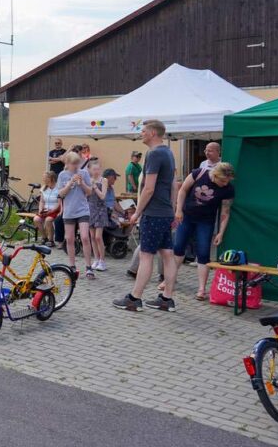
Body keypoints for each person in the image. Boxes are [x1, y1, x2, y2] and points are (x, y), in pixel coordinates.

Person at [114, 119, 179, 312]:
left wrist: (137, 213)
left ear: (152, 133)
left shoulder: (154, 153)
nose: (140, 134)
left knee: (146, 256)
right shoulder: (168, 152)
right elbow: (174, 185)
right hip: (165, 212)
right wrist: (173, 210)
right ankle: (166, 299)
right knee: (167, 255)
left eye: (143, 131)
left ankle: (134, 298)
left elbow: (149, 189)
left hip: (154, 213)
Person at [170, 161, 235, 301]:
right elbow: (182, 190)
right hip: (186, 217)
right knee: (178, 248)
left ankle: (201, 289)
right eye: (223, 180)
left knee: (203, 253)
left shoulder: (228, 189)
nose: (225, 184)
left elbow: (225, 211)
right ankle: (169, 280)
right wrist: (179, 210)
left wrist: (221, 232)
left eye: (227, 181)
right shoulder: (198, 173)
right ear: (215, 175)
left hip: (205, 222)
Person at [58, 151, 94, 278]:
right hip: (69, 211)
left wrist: (82, 183)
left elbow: (89, 192)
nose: (76, 166)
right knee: (69, 239)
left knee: (85, 237)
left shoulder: (83, 173)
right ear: (67, 163)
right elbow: (61, 194)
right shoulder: (62, 175)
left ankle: (89, 267)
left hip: (83, 210)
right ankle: (72, 266)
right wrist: (69, 184)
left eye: (77, 163)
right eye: (73, 164)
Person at [87, 161, 109, 273]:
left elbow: (103, 196)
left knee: (98, 237)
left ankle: (102, 260)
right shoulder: (88, 180)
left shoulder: (103, 180)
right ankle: (96, 259)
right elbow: (86, 195)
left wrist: (94, 186)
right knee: (92, 236)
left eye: (98, 169)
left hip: (100, 209)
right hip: (90, 209)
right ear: (90, 170)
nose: (96, 171)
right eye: (94, 169)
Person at [34, 171, 60, 246]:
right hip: (45, 209)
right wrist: (40, 209)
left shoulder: (58, 188)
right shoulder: (44, 188)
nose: (43, 179)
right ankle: (44, 237)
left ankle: (51, 240)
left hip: (55, 210)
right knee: (36, 219)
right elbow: (42, 201)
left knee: (48, 220)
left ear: (51, 178)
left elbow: (59, 203)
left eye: (45, 178)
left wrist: (52, 211)